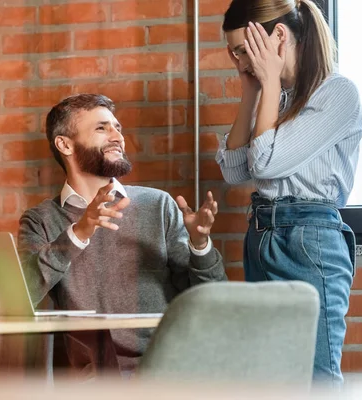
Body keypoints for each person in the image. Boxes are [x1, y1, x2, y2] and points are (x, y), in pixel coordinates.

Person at [18, 93, 226, 378]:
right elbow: (21, 296)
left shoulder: (158, 204)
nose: (117, 136)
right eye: (102, 128)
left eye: (118, 128)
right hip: (91, 380)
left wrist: (200, 246)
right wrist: (78, 234)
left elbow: (209, 298)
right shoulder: (41, 220)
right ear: (65, 144)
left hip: (165, 372)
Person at [216, 0, 362, 386]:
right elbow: (234, 170)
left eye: (244, 50)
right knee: (271, 380)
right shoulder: (274, 99)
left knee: (315, 379)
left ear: (278, 36)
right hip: (261, 236)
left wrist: (265, 84)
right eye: (234, 53)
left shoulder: (336, 94)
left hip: (309, 239)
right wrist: (252, 91)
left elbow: (263, 164)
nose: (240, 61)